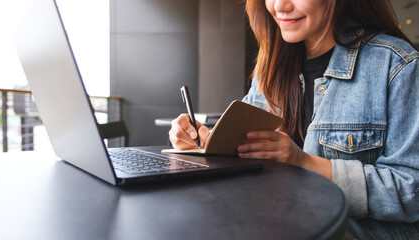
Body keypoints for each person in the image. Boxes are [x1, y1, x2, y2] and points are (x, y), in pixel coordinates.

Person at [169, 0, 418, 238]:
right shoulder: (271, 69)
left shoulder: (397, 66)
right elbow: (241, 153)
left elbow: (412, 192)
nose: (280, 7)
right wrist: (202, 143)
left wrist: (303, 162)